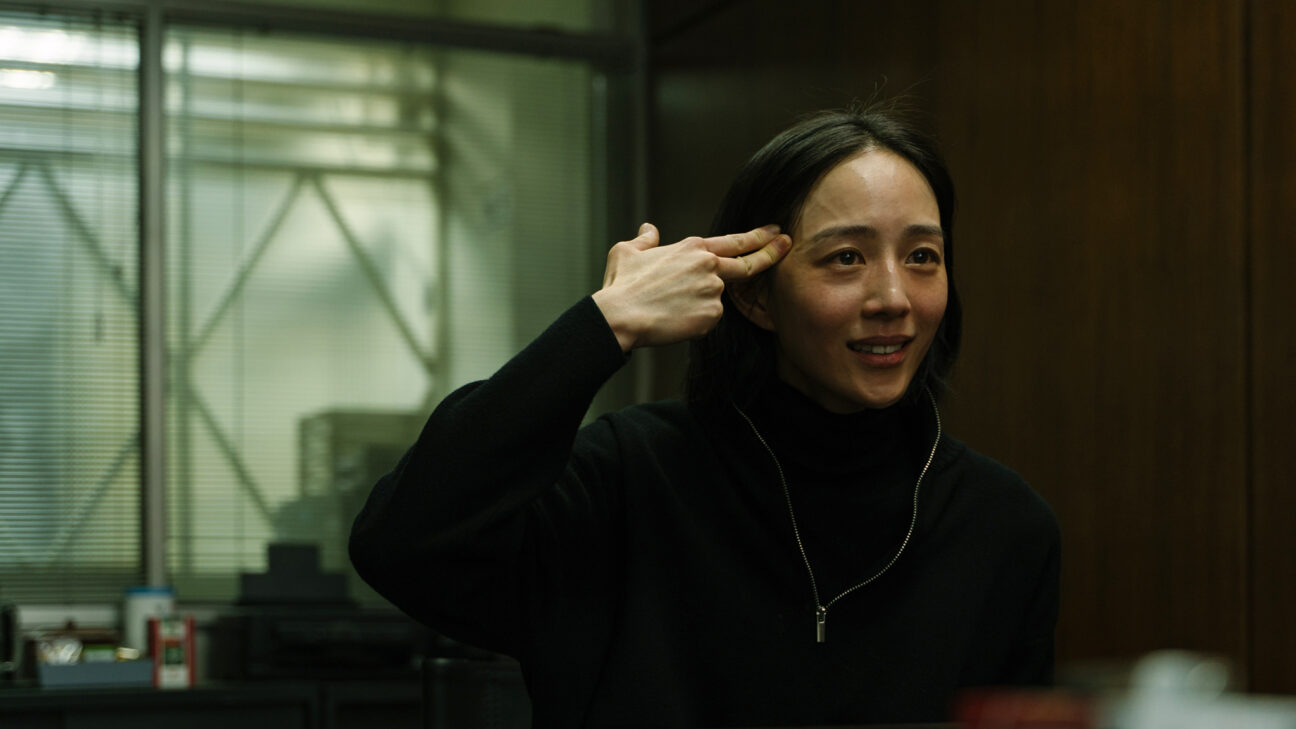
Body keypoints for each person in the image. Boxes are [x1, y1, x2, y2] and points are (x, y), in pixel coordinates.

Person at [349, 107, 1060, 728]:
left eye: (923, 256)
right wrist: (603, 326)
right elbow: (401, 542)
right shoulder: (631, 478)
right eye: (846, 257)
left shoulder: (1002, 525)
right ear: (754, 295)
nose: (894, 297)